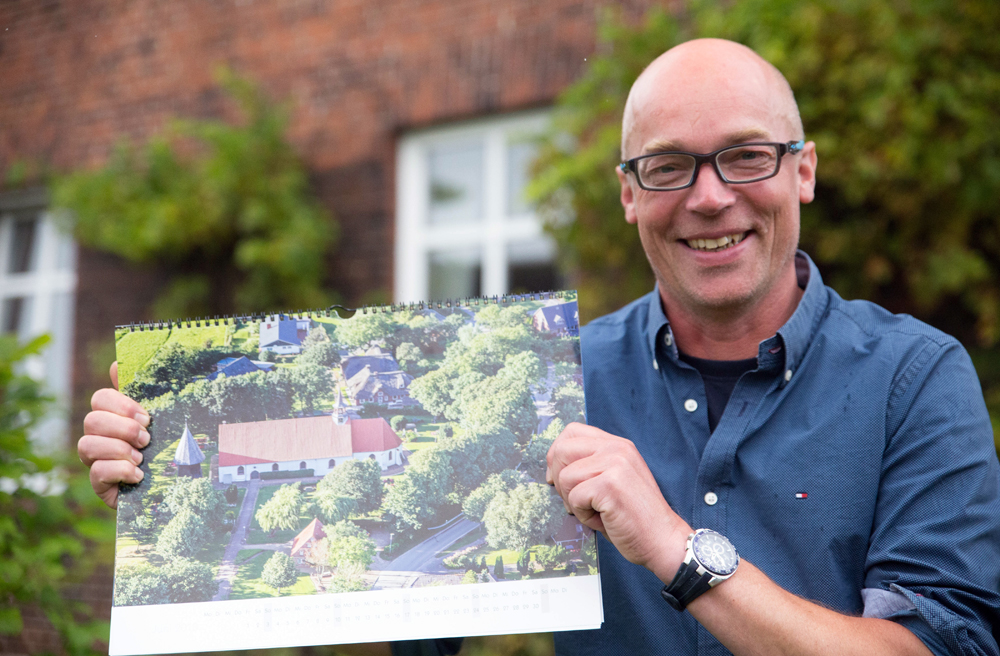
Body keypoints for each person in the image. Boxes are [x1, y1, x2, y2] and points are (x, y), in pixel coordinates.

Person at [79, 39, 1000, 656]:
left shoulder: (916, 378)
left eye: (747, 156)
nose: (711, 197)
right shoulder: (555, 379)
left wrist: (677, 549)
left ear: (803, 169)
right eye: (670, 166)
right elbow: (404, 591)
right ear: (629, 194)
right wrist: (166, 476)